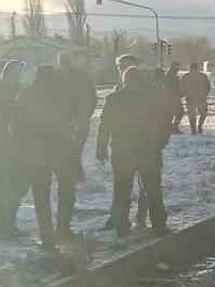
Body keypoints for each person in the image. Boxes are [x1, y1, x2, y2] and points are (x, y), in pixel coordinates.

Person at [98, 66, 171, 237]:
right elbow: (167, 122)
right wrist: (160, 143)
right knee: (152, 188)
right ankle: (158, 224)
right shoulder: (154, 97)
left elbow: (104, 126)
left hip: (122, 152)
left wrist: (101, 149)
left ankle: (122, 227)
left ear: (125, 81)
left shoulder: (114, 99)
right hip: (148, 150)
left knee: (122, 189)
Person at [9, 66, 73, 249]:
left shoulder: (26, 95)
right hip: (59, 150)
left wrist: (19, 147)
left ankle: (47, 235)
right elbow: (69, 121)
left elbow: (15, 125)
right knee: (65, 190)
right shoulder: (61, 96)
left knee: (40, 194)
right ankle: (63, 228)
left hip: (35, 153)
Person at [55, 52, 97, 240]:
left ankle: (60, 227)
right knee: (69, 171)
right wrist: (83, 119)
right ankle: (74, 168)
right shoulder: (83, 78)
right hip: (77, 127)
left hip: (59, 131)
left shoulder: (56, 78)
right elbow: (92, 100)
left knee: (65, 173)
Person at [0, 62, 25, 241]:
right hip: (2, 145)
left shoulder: (17, 91)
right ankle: (5, 225)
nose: (19, 77)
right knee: (8, 184)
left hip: (17, 146)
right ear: (7, 74)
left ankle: (9, 222)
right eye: (16, 73)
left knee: (17, 185)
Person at [180, 62, 212, 134]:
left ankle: (193, 129)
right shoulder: (203, 76)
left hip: (190, 97)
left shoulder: (186, 76)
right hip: (201, 97)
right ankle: (200, 126)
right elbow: (208, 86)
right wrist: (205, 94)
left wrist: (184, 94)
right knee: (203, 113)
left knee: (191, 114)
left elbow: (182, 87)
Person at [164, 63, 184, 133]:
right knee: (179, 112)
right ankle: (174, 127)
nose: (178, 69)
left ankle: (171, 127)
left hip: (170, 97)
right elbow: (175, 87)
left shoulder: (169, 75)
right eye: (177, 67)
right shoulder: (172, 76)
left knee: (172, 114)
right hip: (173, 97)